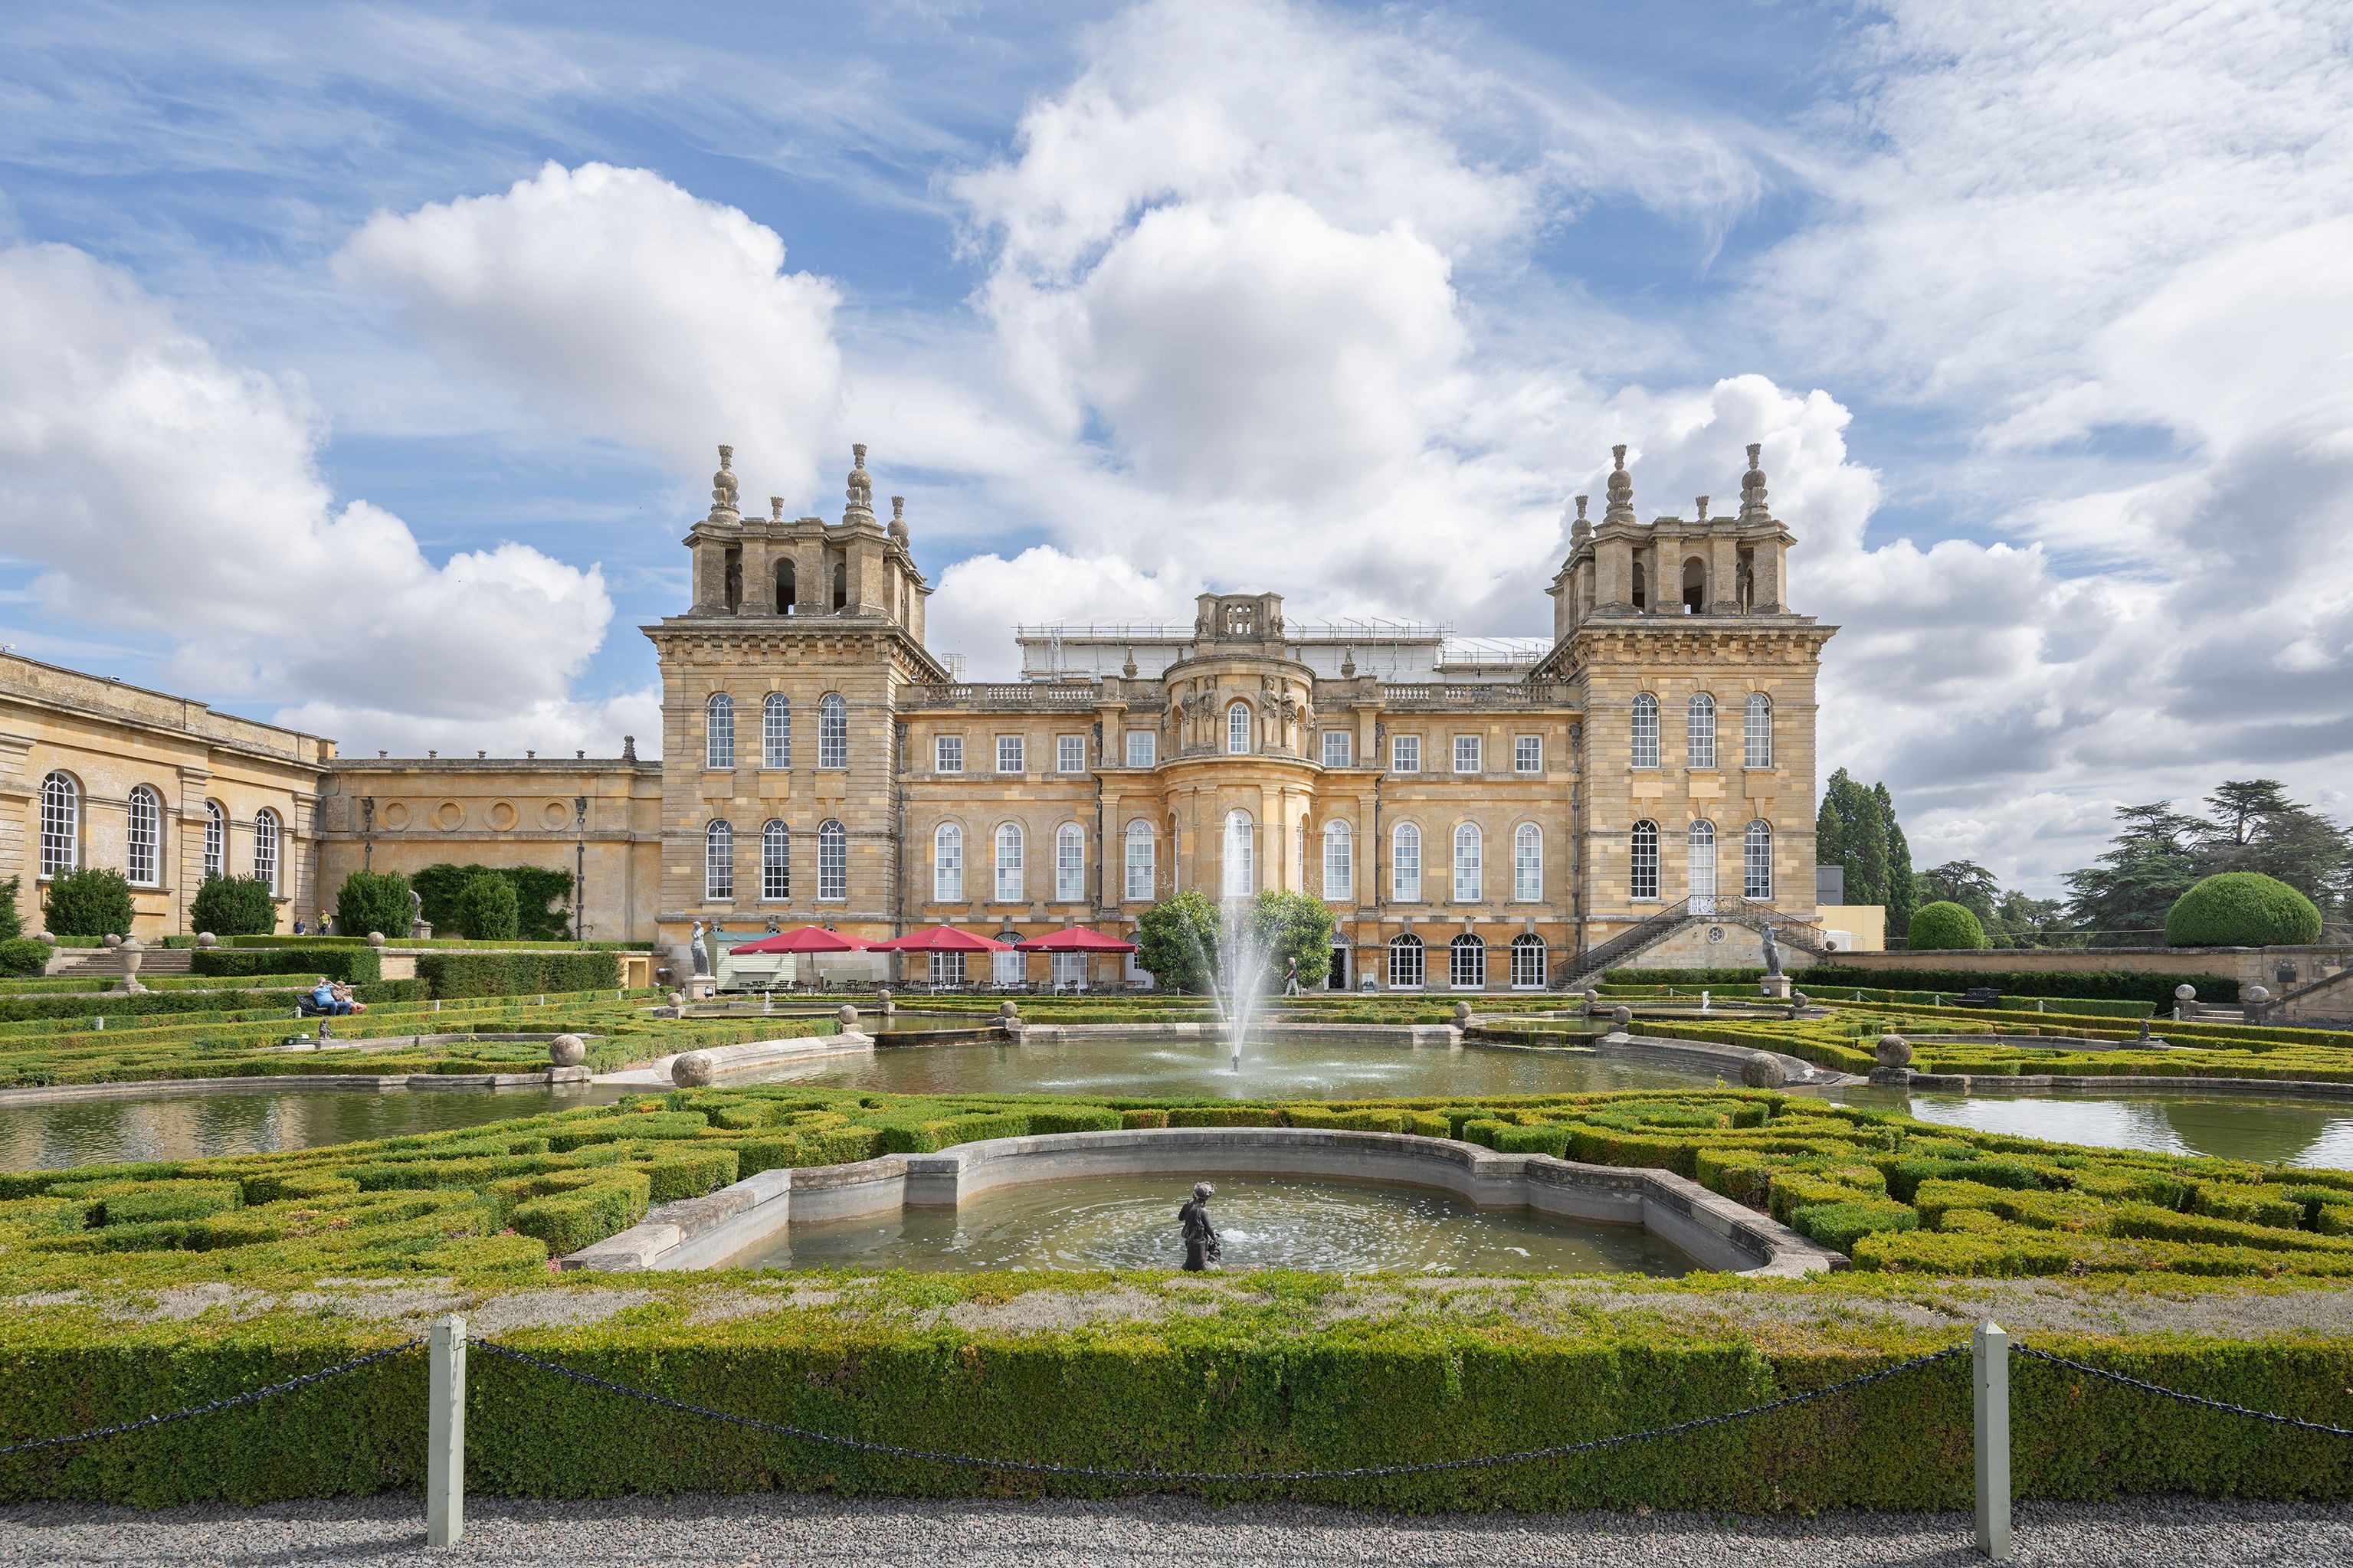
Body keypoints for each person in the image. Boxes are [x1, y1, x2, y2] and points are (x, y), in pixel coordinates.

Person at [1177, 1182, 1221, 1272]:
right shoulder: (1203, 1211)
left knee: (1191, 1258)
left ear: (1194, 1194)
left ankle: (1189, 1266)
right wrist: (1214, 1237)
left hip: (1190, 1240)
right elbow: (1208, 1228)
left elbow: (1180, 1218)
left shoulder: (1186, 1206)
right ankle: (1202, 1266)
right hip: (1200, 1241)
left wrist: (1189, 1214)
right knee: (1212, 1268)